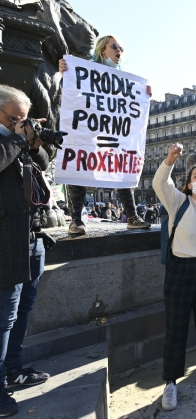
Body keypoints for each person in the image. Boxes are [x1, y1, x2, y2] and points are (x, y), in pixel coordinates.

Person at [152, 143, 196, 411]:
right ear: (188, 184)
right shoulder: (179, 202)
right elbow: (160, 183)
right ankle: (171, 382)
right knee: (176, 329)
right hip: (180, 270)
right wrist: (170, 159)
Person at [58, 35, 152, 235]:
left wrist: (144, 94)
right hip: (86, 132)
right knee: (79, 169)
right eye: (114, 47)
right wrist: (65, 74)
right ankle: (76, 220)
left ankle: (132, 216)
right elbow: (68, 95)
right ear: (103, 50)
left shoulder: (124, 79)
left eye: (121, 49)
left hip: (111, 134)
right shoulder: (84, 71)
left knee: (121, 169)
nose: (119, 51)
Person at [0, 85, 52, 416]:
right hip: (6, 241)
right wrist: (19, 139)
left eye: (25, 118)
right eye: (15, 118)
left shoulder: (17, 140)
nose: (22, 122)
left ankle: (14, 369)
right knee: (3, 317)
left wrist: (33, 143)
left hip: (32, 237)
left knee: (23, 308)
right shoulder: (7, 141)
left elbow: (42, 166)